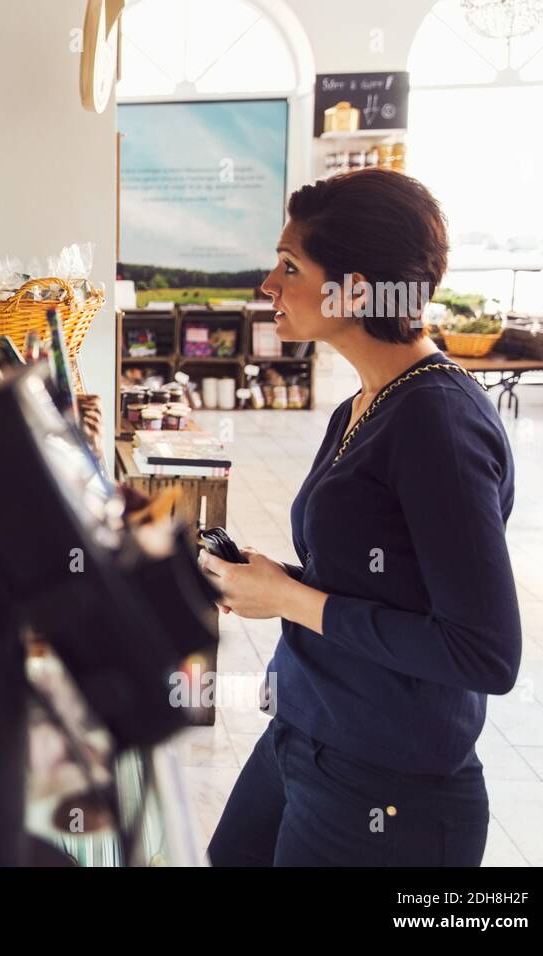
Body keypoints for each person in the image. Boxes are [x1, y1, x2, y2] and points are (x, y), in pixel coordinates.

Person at [199, 168, 521, 867]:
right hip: (307, 732)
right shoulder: (365, 403)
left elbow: (484, 652)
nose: (268, 285)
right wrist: (269, 580)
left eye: (290, 266)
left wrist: (291, 597)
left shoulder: (437, 421)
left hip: (387, 787)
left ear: (358, 288)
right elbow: (374, 581)